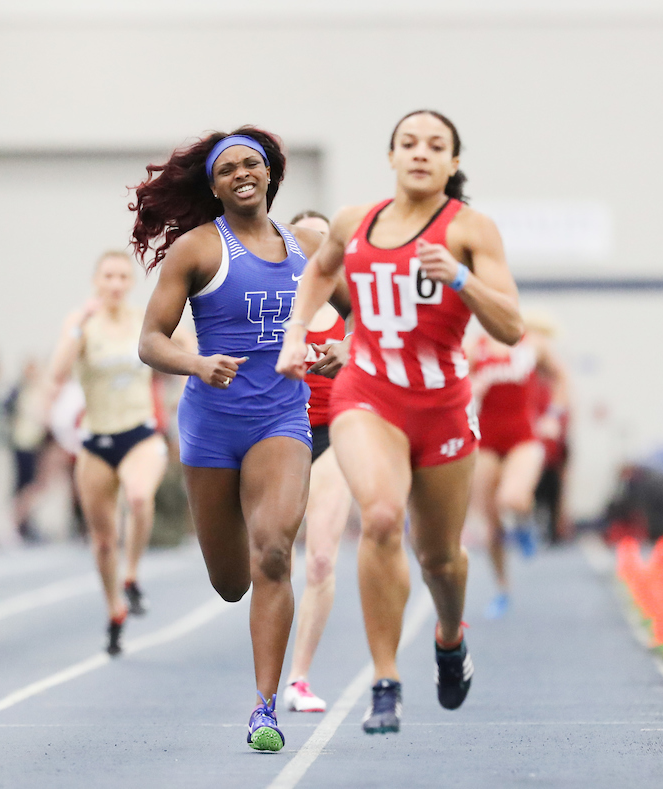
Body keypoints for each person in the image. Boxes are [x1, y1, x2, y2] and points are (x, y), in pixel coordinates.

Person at [276, 110, 523, 734]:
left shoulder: (471, 230)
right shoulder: (355, 221)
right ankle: (385, 679)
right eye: (409, 143)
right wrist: (297, 332)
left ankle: (447, 638)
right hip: (368, 395)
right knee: (381, 515)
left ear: (453, 163)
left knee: (440, 559)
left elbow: (512, 327)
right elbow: (322, 269)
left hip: (439, 405)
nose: (421, 153)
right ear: (391, 156)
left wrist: (461, 279)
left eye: (436, 145)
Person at [133, 127, 345, 751]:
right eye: (228, 170)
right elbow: (149, 339)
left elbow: (367, 320)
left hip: (282, 419)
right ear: (214, 184)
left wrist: (340, 350)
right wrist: (196, 363)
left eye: (252, 165)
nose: (242, 175)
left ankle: (264, 708)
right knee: (231, 582)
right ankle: (256, 658)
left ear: (272, 175)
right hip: (211, 425)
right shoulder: (199, 249)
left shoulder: (309, 247)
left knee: (275, 551)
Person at [48, 251, 168, 656]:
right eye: (108, 277)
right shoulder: (81, 323)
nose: (115, 284)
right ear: (96, 281)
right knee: (102, 541)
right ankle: (114, 608)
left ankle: (131, 576)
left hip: (140, 433)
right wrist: (78, 327)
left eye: (122, 277)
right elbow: (57, 373)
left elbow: (183, 346)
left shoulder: (141, 319)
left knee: (138, 496)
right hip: (97, 440)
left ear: (130, 283)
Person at [280, 210, 354, 714]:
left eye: (325, 238)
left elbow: (389, 342)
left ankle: (299, 677)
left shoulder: (351, 302)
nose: (316, 245)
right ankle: (268, 663)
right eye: (306, 237)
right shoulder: (274, 301)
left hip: (334, 434)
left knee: (322, 558)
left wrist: (347, 347)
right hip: (278, 434)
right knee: (271, 560)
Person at [468, 317, 570, 619]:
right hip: (485, 441)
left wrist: (553, 414)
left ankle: (525, 523)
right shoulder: (475, 347)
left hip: (523, 437)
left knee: (512, 497)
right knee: (491, 527)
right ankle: (502, 589)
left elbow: (562, 378)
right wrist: (472, 388)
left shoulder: (533, 345)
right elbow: (449, 381)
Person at [5, 359, 51, 542]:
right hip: (23, 443)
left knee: (33, 484)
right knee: (24, 484)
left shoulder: (38, 390)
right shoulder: (21, 391)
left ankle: (24, 522)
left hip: (34, 443)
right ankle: (14, 521)